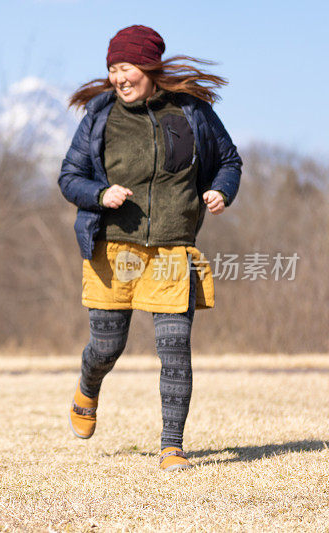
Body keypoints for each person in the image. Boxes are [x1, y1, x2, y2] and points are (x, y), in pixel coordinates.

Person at [57, 25, 242, 471]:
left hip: (172, 249)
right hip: (114, 249)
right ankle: (87, 388)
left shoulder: (191, 112)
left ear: (150, 68)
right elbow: (69, 177)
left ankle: (172, 446)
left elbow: (229, 160)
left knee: (175, 351)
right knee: (106, 347)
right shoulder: (101, 116)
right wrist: (100, 195)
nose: (119, 77)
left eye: (127, 67)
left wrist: (221, 190)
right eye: (113, 68)